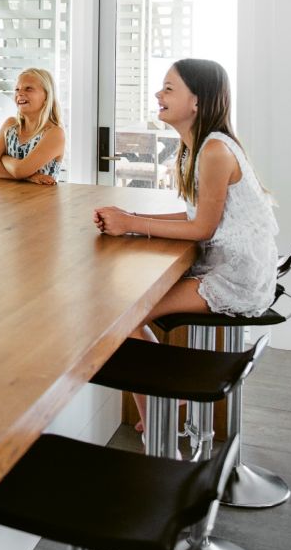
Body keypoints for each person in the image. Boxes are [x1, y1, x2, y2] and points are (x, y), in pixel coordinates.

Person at [93, 58, 278, 432]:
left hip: (236, 276)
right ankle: (162, 408)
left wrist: (132, 223)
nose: (158, 94)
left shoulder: (213, 151)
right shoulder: (203, 146)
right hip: (235, 266)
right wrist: (131, 221)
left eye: (169, 88)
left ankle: (159, 413)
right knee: (126, 311)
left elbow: (203, 230)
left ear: (197, 101)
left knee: (123, 315)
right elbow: (194, 217)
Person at [0, 68, 66, 185]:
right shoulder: (10, 125)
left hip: (42, 201)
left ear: (46, 97)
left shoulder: (54, 133)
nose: (20, 93)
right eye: (17, 89)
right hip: (10, 200)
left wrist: (4, 158)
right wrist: (30, 177)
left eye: (29, 88)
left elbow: (19, 171)